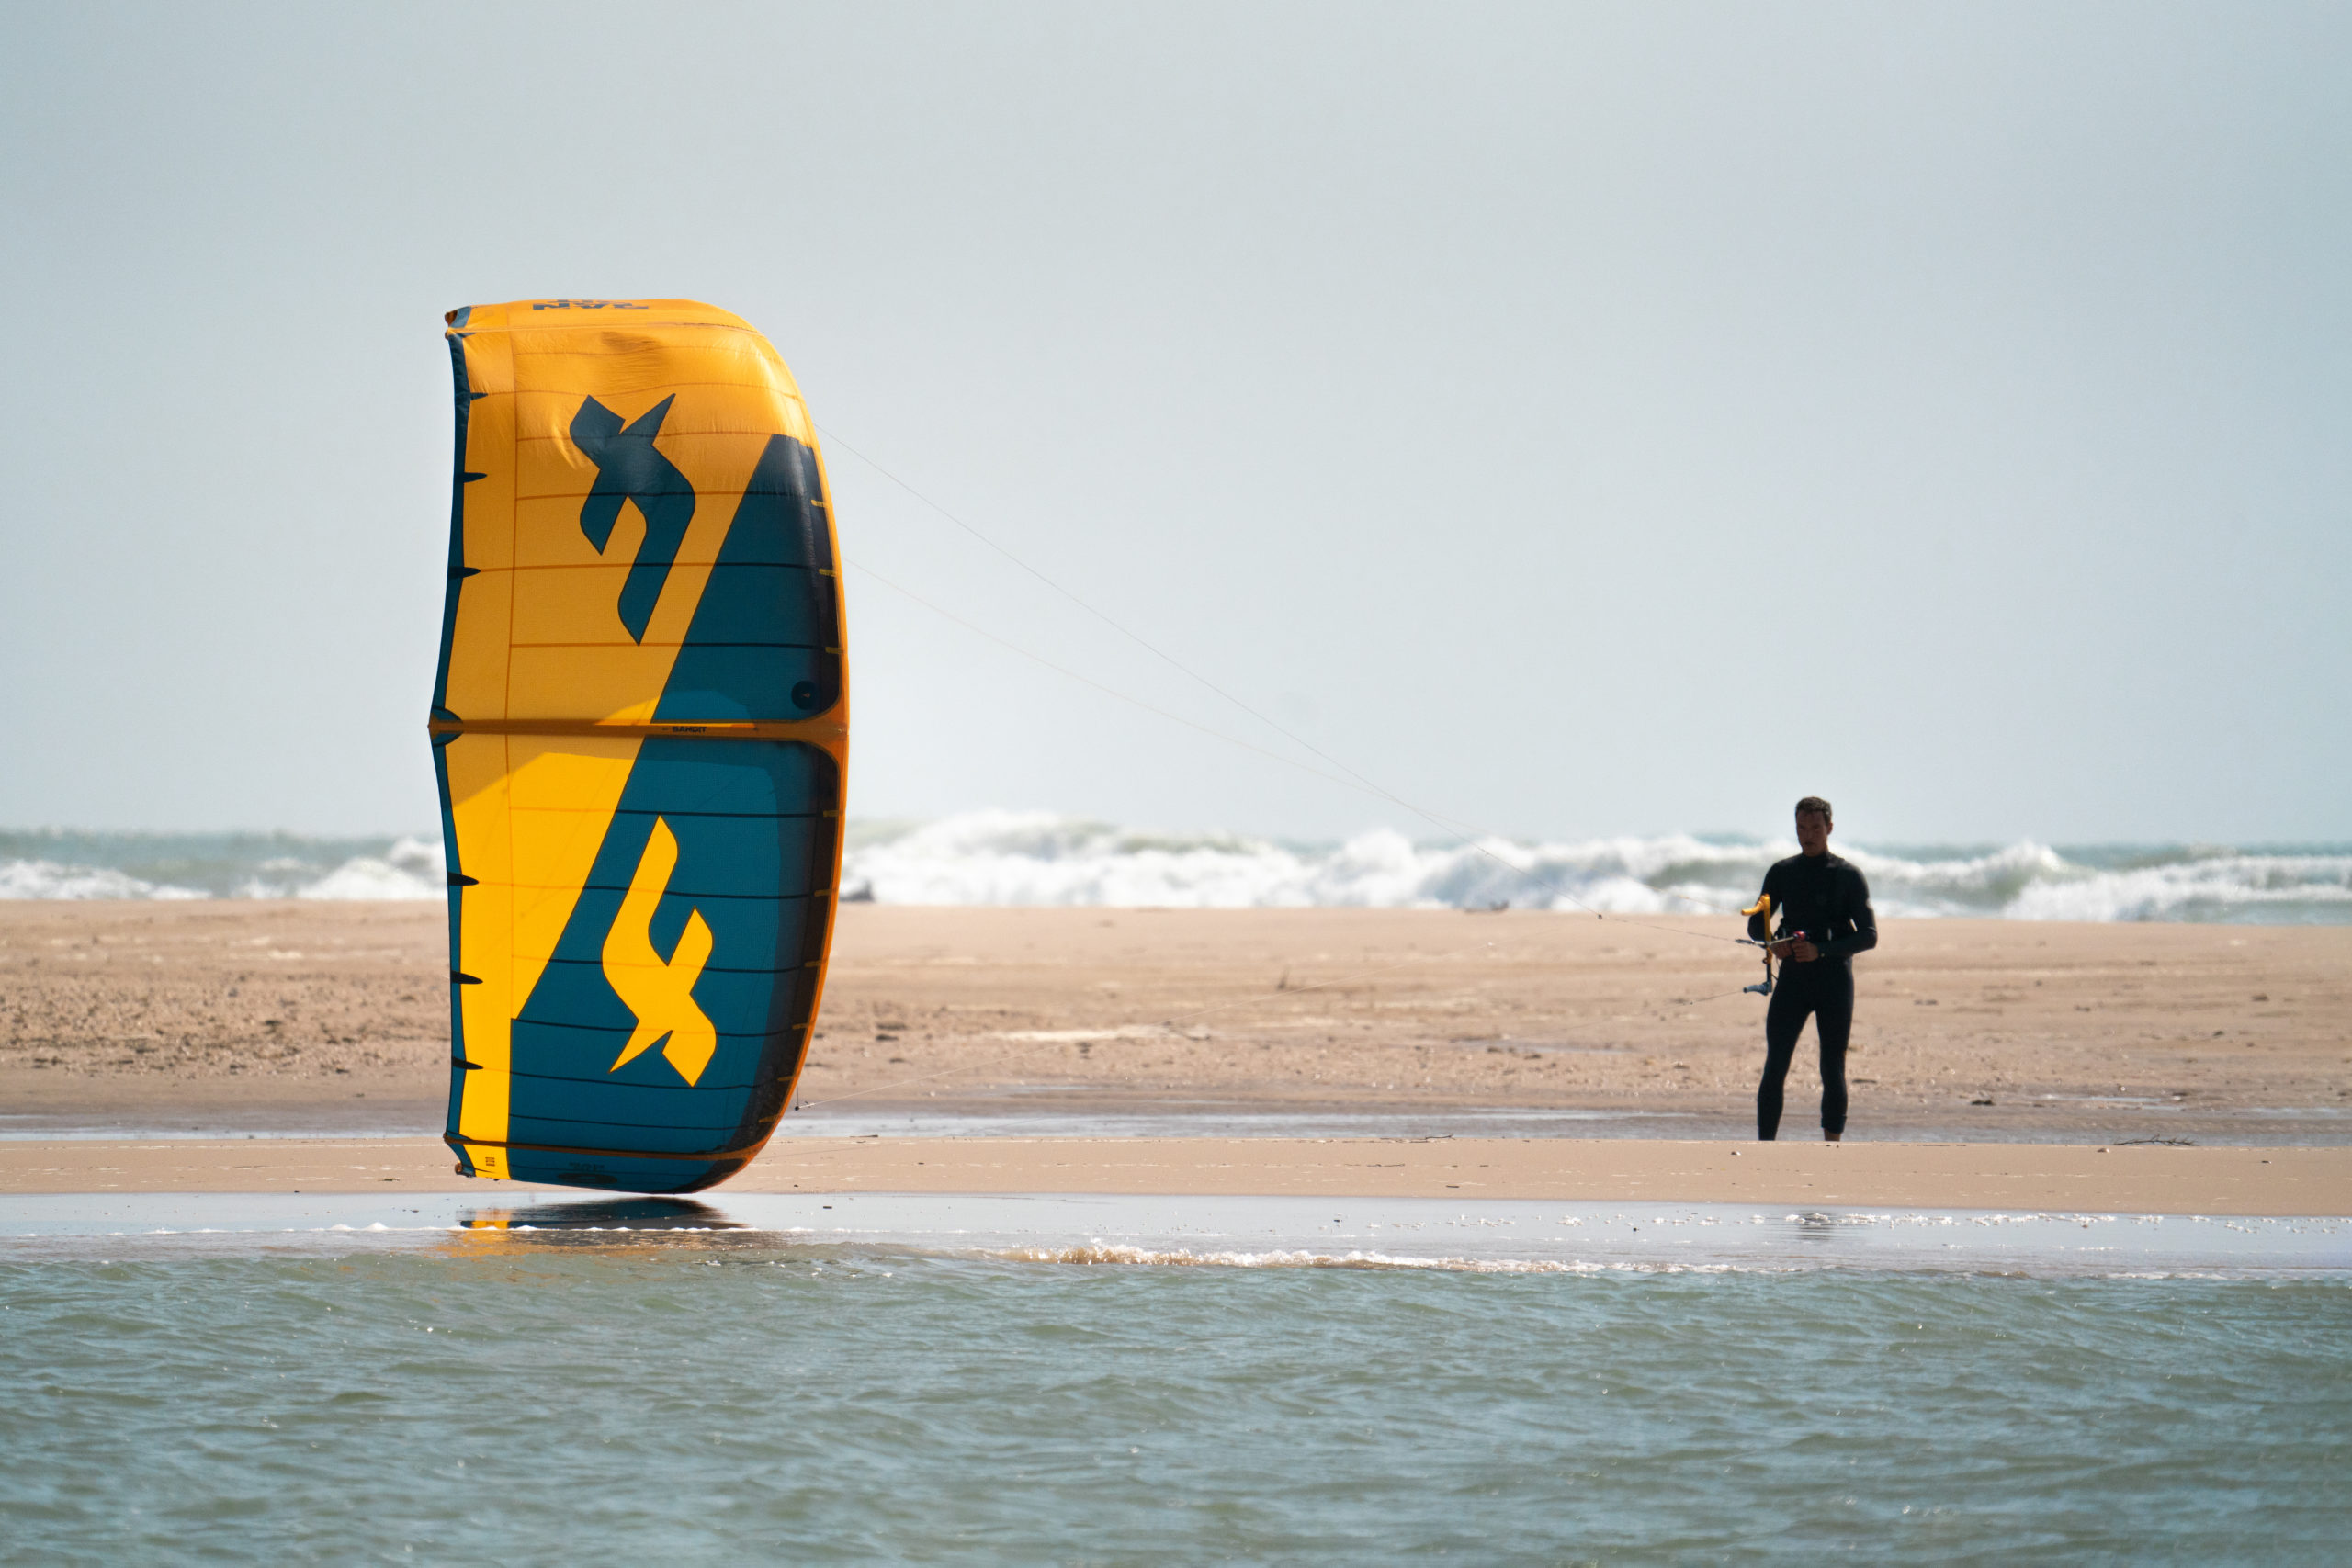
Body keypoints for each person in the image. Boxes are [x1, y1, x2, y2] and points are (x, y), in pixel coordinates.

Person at [1746, 796, 1876, 1142]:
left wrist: (1820, 950)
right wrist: (1776, 945)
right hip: (1794, 981)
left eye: (1815, 828)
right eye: (1801, 828)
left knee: (1832, 1067)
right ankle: (1765, 1147)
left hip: (1834, 982)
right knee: (1775, 1066)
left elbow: (1869, 935)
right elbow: (1756, 929)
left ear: (1829, 828)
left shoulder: (1848, 876)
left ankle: (1831, 1147)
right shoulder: (1782, 872)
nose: (1808, 836)